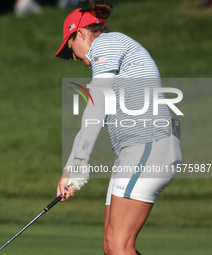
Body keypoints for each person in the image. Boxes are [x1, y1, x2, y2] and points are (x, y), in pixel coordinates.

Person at [55, 1, 182, 255]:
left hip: (148, 144)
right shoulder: (110, 51)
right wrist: (73, 168)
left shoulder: (107, 43)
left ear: (80, 33)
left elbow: (96, 108)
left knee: (119, 245)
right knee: (111, 246)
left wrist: (77, 164)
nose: (76, 58)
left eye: (72, 50)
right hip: (133, 152)